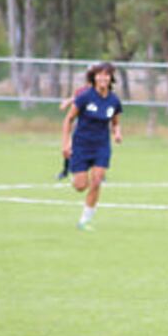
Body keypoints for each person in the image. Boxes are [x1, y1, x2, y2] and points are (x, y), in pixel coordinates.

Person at [61, 62, 123, 230]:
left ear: (111, 78)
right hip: (81, 145)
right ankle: (76, 178)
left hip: (101, 146)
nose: (103, 78)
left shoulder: (114, 100)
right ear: (94, 77)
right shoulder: (84, 97)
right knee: (81, 186)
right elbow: (69, 119)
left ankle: (84, 221)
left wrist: (117, 133)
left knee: (96, 181)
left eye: (106, 75)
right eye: (99, 75)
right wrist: (66, 143)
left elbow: (115, 122)